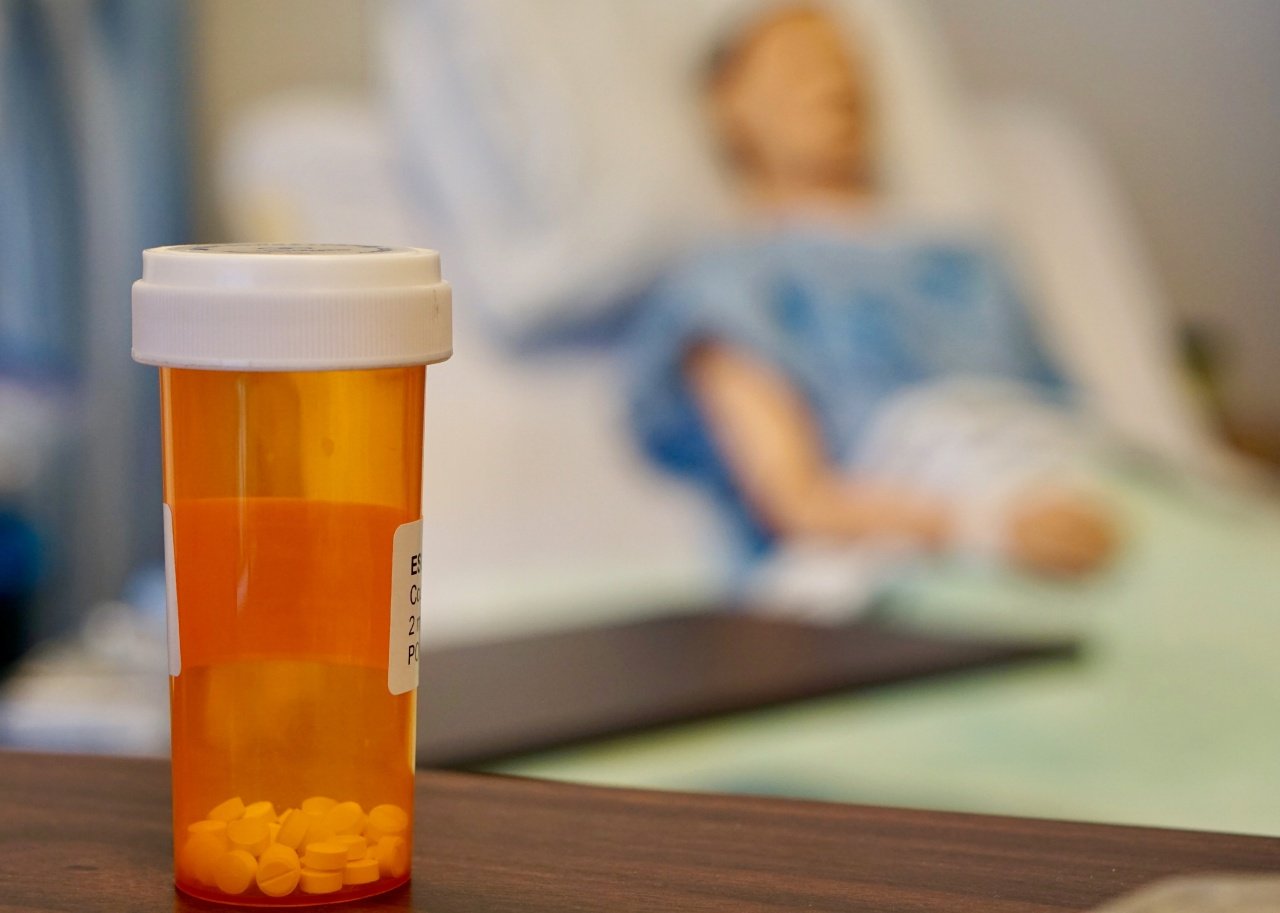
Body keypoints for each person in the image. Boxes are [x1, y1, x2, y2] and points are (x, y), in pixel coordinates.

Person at [624, 3, 1119, 585]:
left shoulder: (973, 263)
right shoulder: (729, 286)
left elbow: (1071, 428)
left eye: (847, 66)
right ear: (726, 104)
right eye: (798, 66)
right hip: (902, 566)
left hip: (1078, 515)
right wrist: (986, 528)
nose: (834, 84)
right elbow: (800, 503)